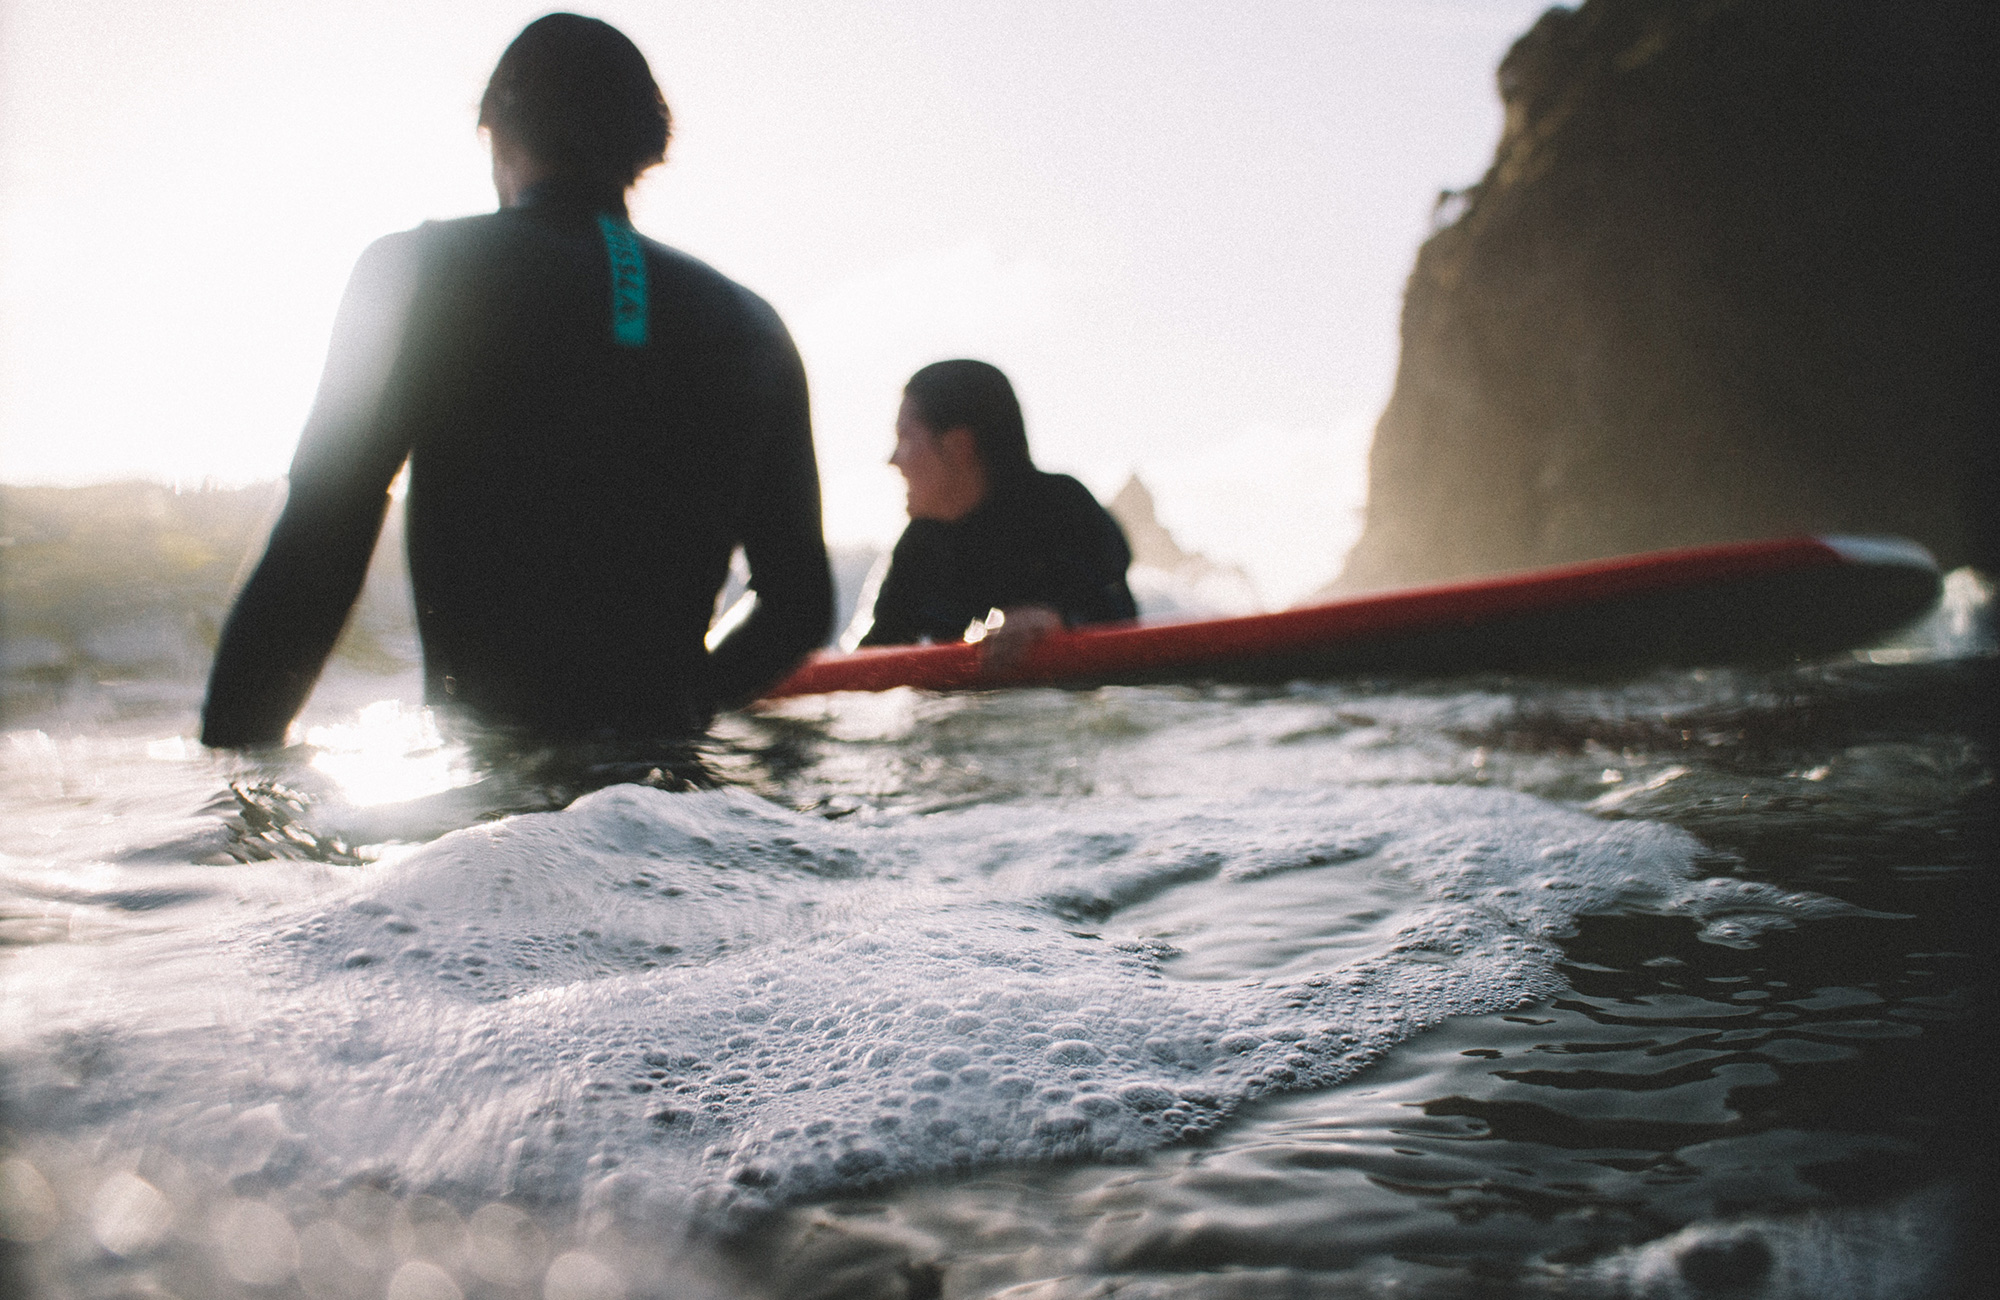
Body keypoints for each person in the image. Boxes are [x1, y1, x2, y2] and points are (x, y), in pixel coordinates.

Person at [200, 14, 832, 749]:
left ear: (496, 129)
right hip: (670, 784)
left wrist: (229, 777)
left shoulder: (421, 271)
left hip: (492, 789)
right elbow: (799, 606)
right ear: (644, 143)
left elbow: (320, 539)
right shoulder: (753, 324)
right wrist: (680, 708)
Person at [858, 360, 1136, 666]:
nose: (893, 459)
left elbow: (1117, 617)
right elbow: (872, 660)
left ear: (959, 446)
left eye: (905, 438)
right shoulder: (921, 545)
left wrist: (1056, 620)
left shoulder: (1063, 510)